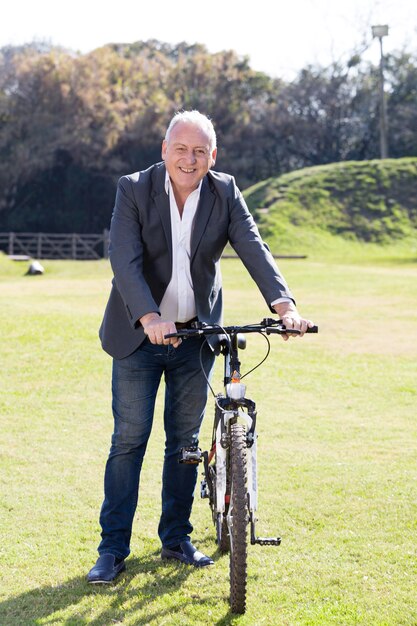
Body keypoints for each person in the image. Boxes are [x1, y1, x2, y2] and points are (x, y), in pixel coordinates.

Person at [87, 110, 314, 583]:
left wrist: (284, 304)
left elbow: (252, 245)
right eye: (181, 149)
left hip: (196, 335)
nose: (189, 159)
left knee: (185, 444)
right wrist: (150, 316)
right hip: (138, 337)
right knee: (128, 442)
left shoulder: (224, 191)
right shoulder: (134, 188)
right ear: (164, 149)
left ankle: (176, 539)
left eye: (200, 151)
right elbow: (123, 260)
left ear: (214, 156)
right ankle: (111, 550)